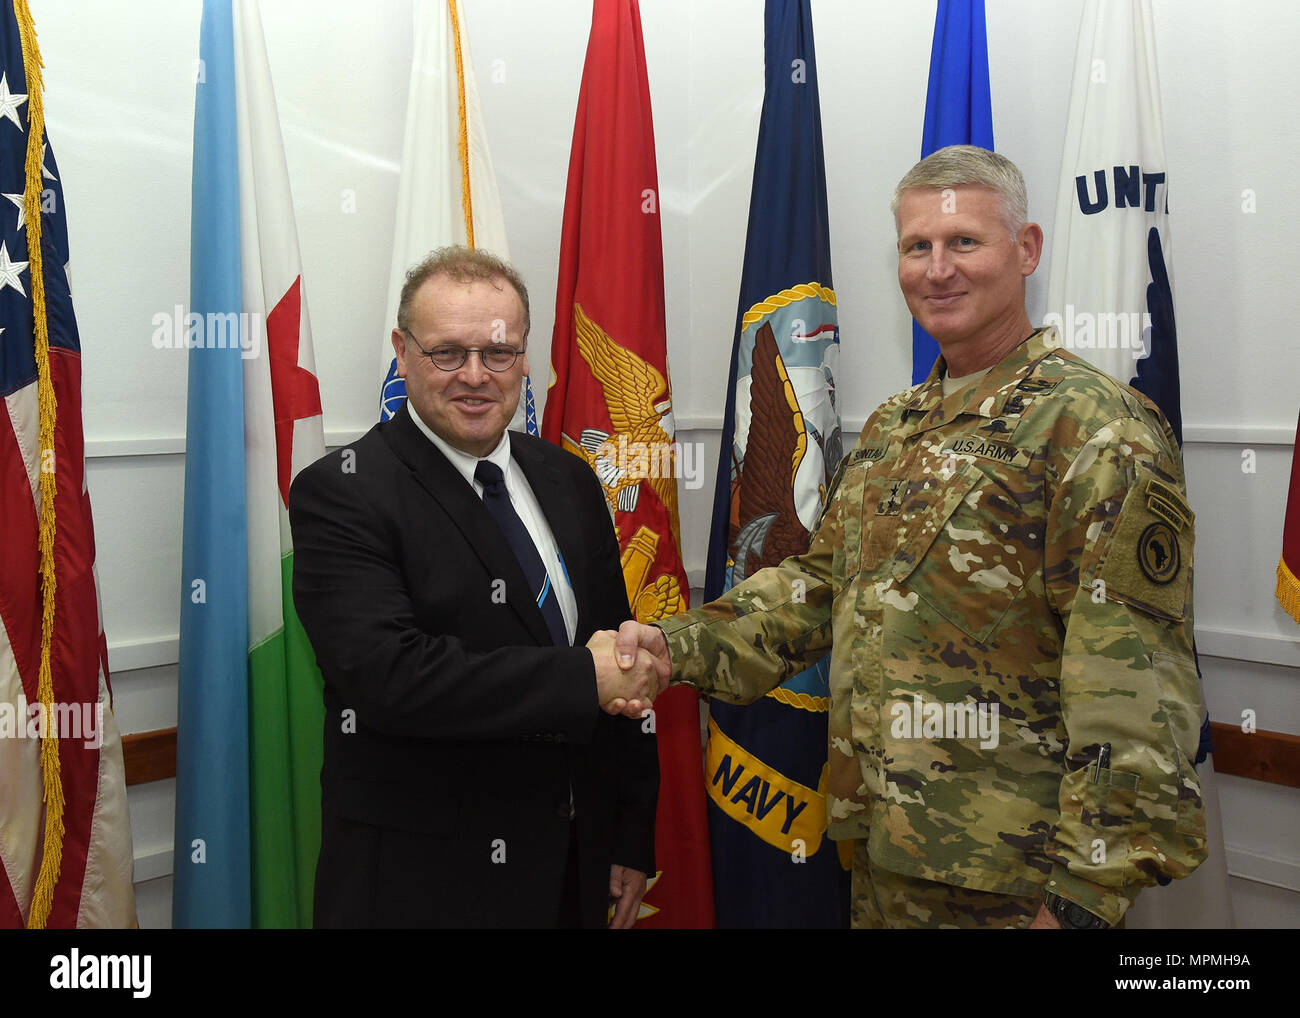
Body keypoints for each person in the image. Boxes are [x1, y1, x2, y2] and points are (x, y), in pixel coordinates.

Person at [612, 145, 1206, 929]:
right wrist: (669, 647)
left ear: (1025, 250)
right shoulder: (898, 426)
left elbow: (1133, 690)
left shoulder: (1095, 429)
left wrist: (1081, 903)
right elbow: (816, 590)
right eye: (916, 247)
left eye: (964, 242)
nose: (937, 269)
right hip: (884, 858)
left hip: (1017, 886)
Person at [289, 246, 660, 928]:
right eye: (447, 353)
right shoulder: (341, 491)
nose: (475, 377)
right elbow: (390, 679)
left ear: (524, 356)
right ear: (402, 352)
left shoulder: (568, 479)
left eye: (497, 352)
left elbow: (619, 658)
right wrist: (584, 677)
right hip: (423, 890)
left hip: (574, 872)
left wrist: (628, 837)